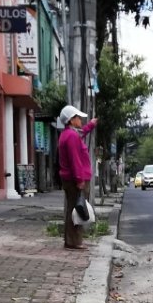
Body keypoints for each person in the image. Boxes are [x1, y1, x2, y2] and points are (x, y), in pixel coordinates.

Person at [56, 105, 97, 249]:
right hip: (75, 179)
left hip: (70, 178)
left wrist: (91, 125)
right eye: (78, 118)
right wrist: (79, 180)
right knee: (77, 209)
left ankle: (71, 240)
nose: (80, 120)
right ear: (71, 120)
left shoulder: (68, 134)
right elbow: (75, 160)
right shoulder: (72, 136)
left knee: (74, 208)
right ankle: (73, 242)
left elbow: (82, 132)